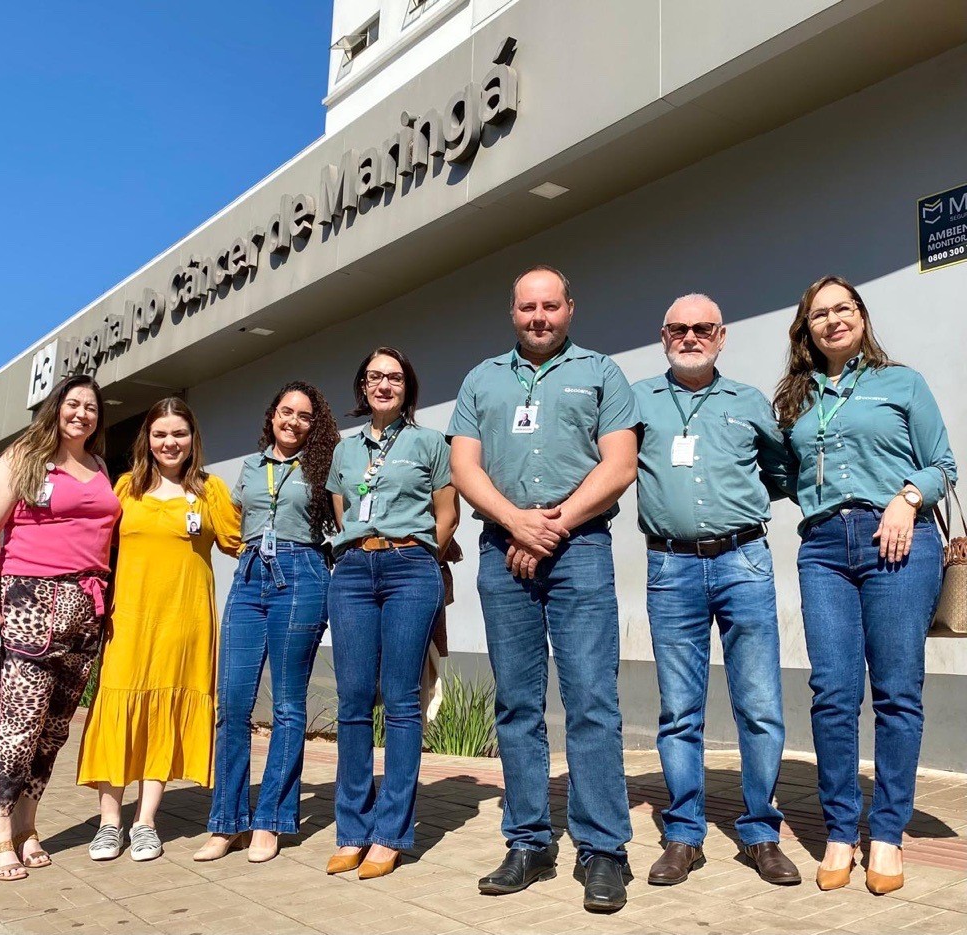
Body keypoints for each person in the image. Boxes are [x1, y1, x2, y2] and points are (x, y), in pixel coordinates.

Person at [448, 265, 638, 913]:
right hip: (504, 549)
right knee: (517, 703)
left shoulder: (603, 373)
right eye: (527, 306)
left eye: (550, 306)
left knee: (591, 699)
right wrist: (516, 523)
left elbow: (619, 464)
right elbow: (464, 466)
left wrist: (550, 525)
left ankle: (603, 848)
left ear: (569, 308)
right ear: (512, 312)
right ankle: (529, 840)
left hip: (579, 546)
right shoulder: (481, 379)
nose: (539, 316)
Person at [775, 275, 957, 895]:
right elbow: (782, 474)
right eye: (819, 313)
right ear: (807, 328)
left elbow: (942, 464)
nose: (833, 320)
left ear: (861, 316)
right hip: (823, 546)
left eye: (843, 308)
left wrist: (908, 500)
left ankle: (886, 833)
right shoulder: (797, 400)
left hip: (897, 539)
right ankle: (837, 830)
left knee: (897, 691)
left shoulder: (901, 382)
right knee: (831, 690)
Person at [633, 294, 800, 887]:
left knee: (759, 706)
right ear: (663, 335)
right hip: (670, 569)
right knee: (680, 712)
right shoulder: (638, 401)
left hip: (743, 561)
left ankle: (760, 833)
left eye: (703, 327)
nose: (691, 336)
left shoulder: (748, 401)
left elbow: (784, 473)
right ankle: (683, 834)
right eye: (678, 328)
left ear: (721, 336)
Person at [0, 375, 121, 881]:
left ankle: (28, 824)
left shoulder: (99, 466)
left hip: (86, 607)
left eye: (91, 407)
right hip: (30, 599)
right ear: (56, 408)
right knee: (19, 722)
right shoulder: (25, 456)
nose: (82, 414)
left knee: (54, 727)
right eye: (73, 404)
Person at [77, 398, 240, 862]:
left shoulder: (211, 491)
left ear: (193, 441)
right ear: (147, 439)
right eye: (161, 434)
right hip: (127, 620)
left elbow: (240, 544)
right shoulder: (125, 487)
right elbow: (94, 547)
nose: (170, 443)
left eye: (179, 434)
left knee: (163, 713)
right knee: (117, 706)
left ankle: (146, 821)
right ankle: (110, 822)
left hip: (184, 624)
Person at [325, 347, 458, 879]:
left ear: (408, 387)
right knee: (354, 699)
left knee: (402, 700)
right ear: (362, 386)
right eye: (375, 376)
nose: (384, 384)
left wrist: (424, 553)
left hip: (410, 567)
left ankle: (391, 834)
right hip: (354, 570)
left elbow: (446, 513)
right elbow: (344, 514)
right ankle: (352, 829)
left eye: (395, 377)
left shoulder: (430, 443)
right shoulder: (344, 451)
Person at [194, 382, 338, 863]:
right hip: (250, 576)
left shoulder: (323, 469)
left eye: (303, 415)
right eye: (285, 411)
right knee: (232, 704)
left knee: (288, 707)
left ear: (313, 425)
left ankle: (270, 821)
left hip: (302, 575)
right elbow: (232, 523)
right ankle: (226, 822)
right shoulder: (251, 467)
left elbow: (348, 518)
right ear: (271, 415)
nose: (292, 421)